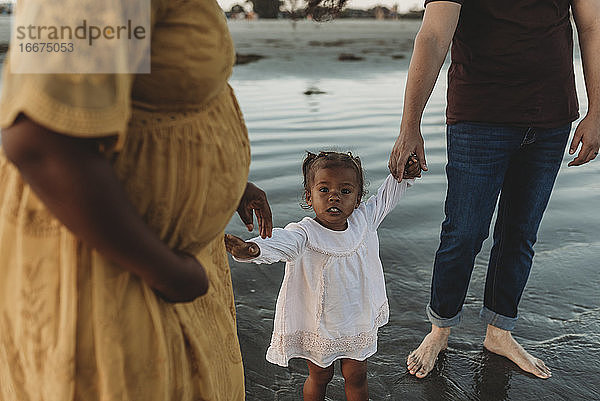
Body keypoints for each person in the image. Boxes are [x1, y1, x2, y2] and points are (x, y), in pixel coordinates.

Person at [0, 1, 273, 400]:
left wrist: (228, 178)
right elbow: (42, 142)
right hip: (109, 264)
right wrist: (165, 271)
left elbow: (156, 91)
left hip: (157, 265)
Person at [388, 0, 600, 380]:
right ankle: (440, 329)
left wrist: (597, 110)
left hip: (551, 118)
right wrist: (410, 125)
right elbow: (435, 34)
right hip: (479, 115)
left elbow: (593, 25)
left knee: (520, 233)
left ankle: (500, 332)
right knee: (464, 232)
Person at [225, 151, 420, 401]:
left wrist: (405, 174)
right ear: (309, 196)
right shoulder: (304, 233)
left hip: (357, 321)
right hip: (320, 326)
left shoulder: (365, 220)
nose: (334, 197)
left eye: (345, 191)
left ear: (358, 198)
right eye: (324, 190)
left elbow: (387, 195)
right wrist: (253, 249)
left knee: (357, 377)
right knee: (320, 377)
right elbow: (280, 241)